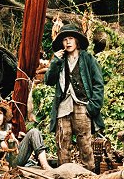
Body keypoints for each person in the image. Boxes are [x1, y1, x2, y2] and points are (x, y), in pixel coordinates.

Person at [44, 23, 104, 171]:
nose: (68, 42)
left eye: (71, 38)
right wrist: (55, 62)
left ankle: (89, 178)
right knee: (62, 144)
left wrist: (93, 107)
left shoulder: (88, 59)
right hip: (63, 106)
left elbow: (98, 84)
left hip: (82, 105)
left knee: (85, 144)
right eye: (65, 39)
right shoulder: (60, 59)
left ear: (77, 41)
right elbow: (49, 81)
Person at [0, 99, 52, 172]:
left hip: (12, 161)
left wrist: (19, 141)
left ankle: (45, 165)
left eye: (0, 113)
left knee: (34, 132)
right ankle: (6, 164)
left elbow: (16, 149)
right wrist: (5, 140)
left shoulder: (7, 131)